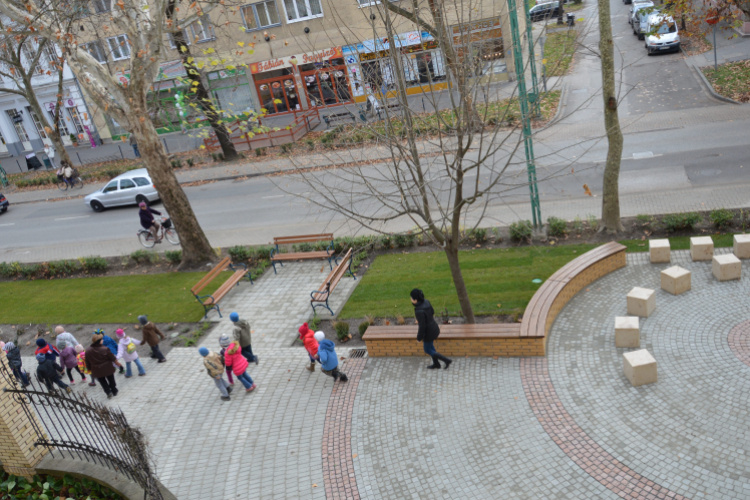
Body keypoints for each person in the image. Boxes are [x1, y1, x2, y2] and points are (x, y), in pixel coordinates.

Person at [411, 288, 452, 370]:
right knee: (431, 347)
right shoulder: (426, 301)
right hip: (434, 328)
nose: (411, 300)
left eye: (411, 298)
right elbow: (432, 312)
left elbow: (422, 326)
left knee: (427, 349)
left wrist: (419, 338)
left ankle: (446, 360)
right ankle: (436, 364)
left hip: (428, 333)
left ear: (415, 300)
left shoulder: (419, 311)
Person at [85, 332, 123, 398]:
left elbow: (87, 361)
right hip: (107, 367)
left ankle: (108, 392)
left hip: (96, 369)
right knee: (111, 380)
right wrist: (119, 364)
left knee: (102, 382)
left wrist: (89, 369)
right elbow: (112, 358)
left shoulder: (88, 350)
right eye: (102, 339)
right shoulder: (105, 349)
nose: (103, 340)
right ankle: (114, 390)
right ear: (99, 341)